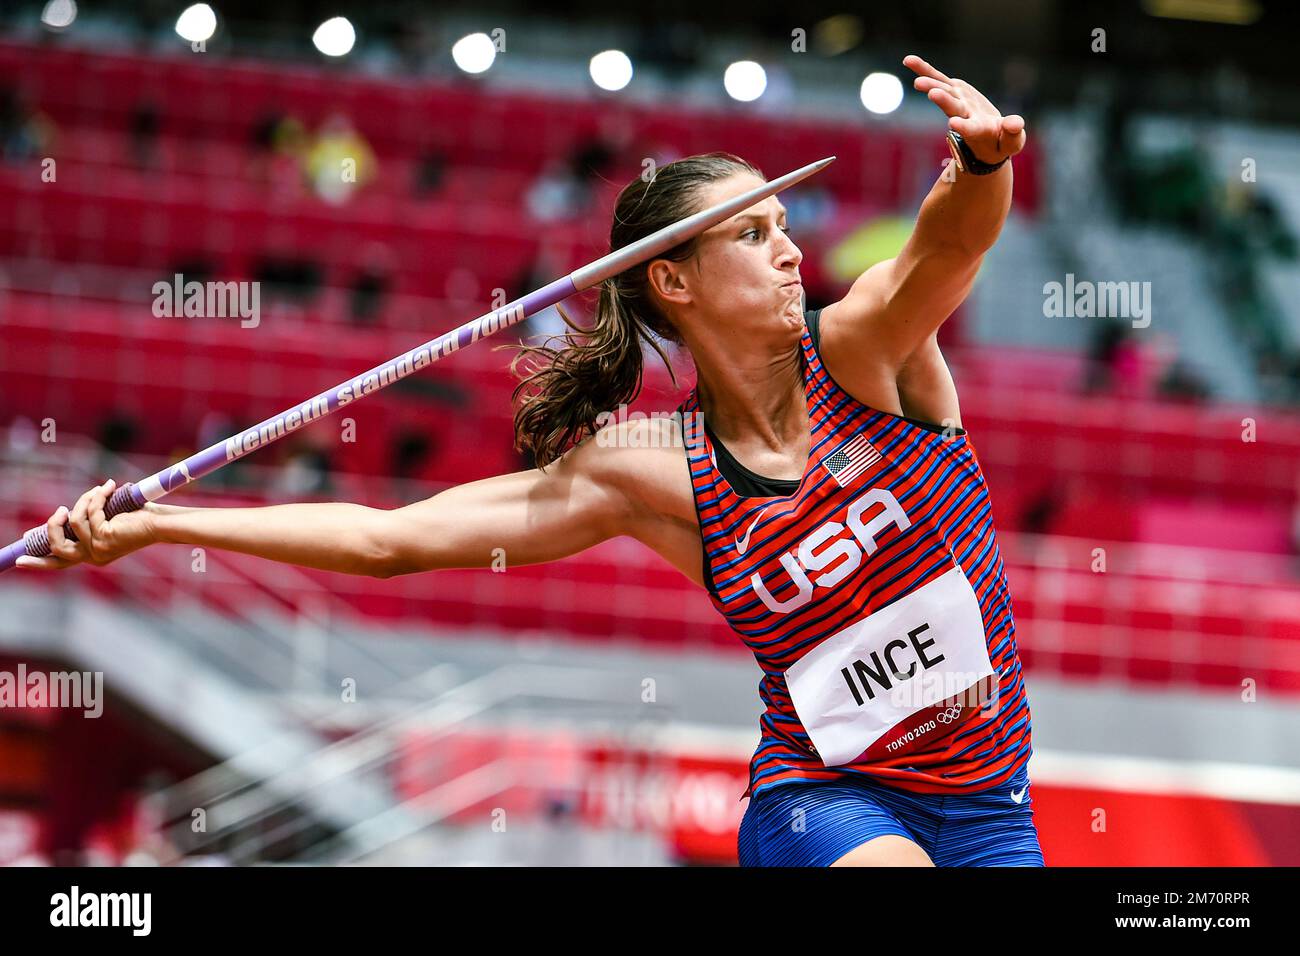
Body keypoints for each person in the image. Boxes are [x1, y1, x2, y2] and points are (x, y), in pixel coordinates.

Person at [20, 56, 1040, 867]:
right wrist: (157, 523)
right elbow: (390, 538)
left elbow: (943, 250)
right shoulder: (650, 471)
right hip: (826, 801)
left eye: (783, 229)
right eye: (752, 233)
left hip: (991, 804)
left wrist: (985, 165)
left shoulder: (863, 356)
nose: (787, 252)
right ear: (672, 279)